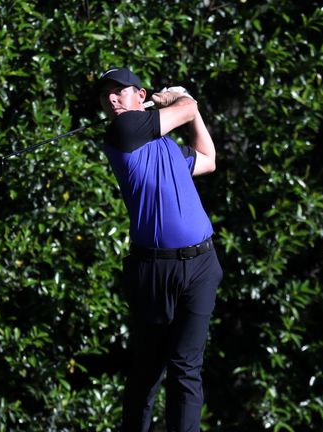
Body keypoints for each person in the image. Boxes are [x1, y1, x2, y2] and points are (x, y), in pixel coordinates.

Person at [95, 67, 223, 432]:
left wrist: (191, 109)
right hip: (153, 270)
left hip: (200, 265)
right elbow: (184, 109)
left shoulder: (167, 148)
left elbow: (208, 158)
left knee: (186, 368)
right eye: (107, 95)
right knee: (149, 370)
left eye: (120, 91)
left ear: (141, 94)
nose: (112, 99)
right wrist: (182, 102)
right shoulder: (121, 132)